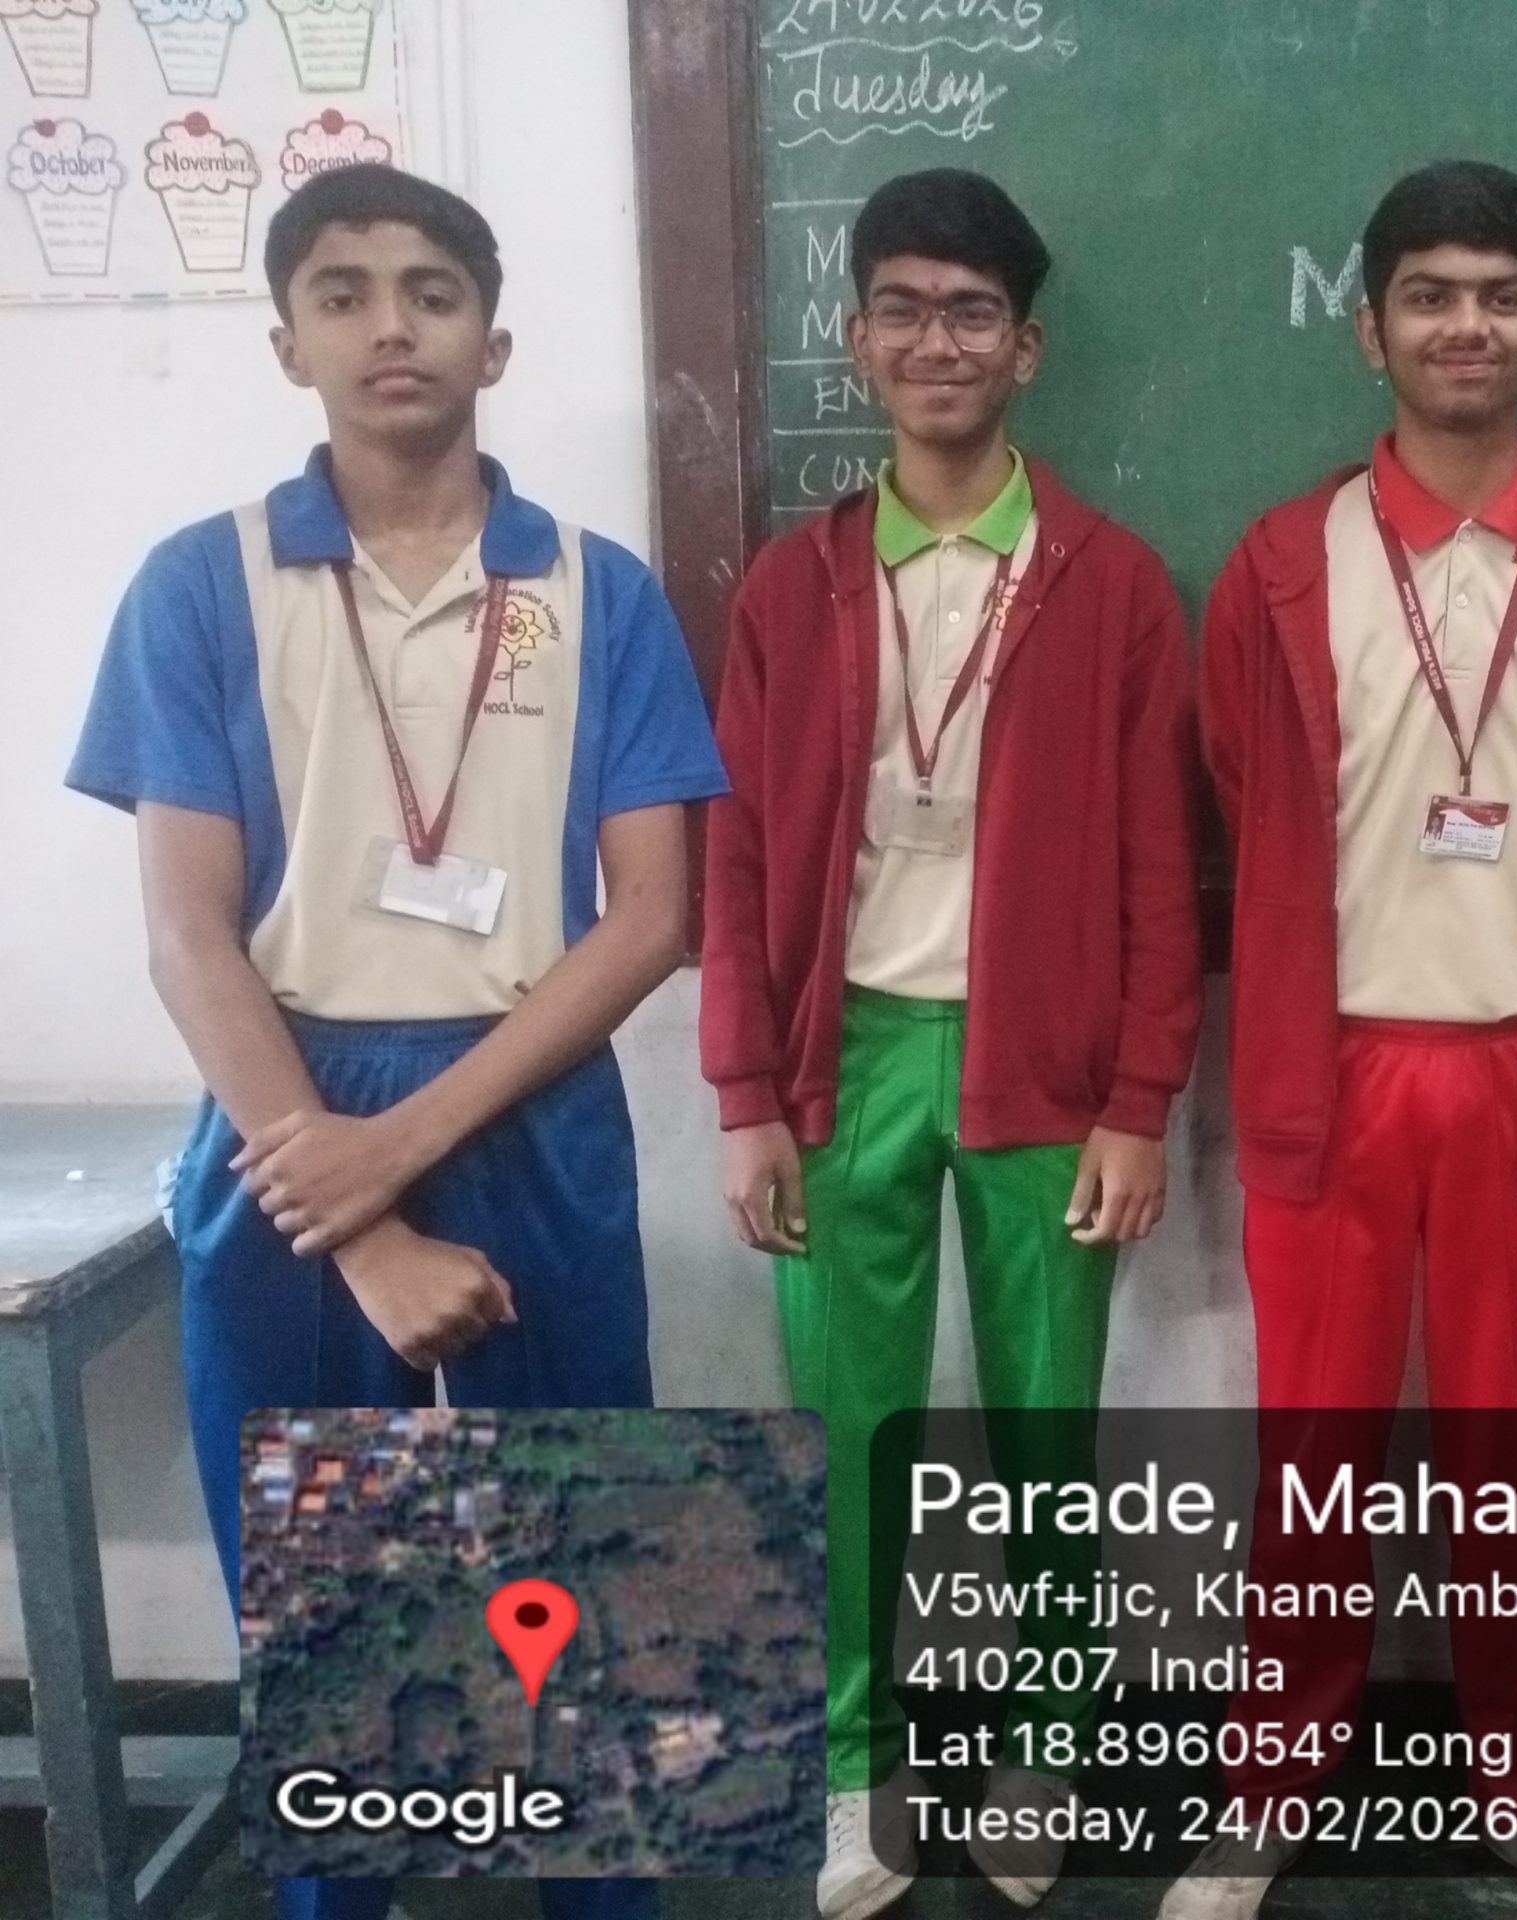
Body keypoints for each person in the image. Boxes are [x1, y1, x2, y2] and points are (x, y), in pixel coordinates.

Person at [64, 164, 725, 1920]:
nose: (391, 324)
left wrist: (399, 1152)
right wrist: (355, 1215)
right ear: (287, 341)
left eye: (433, 290)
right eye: (343, 293)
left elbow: (651, 918)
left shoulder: (597, 590)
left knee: (576, 1567)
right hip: (284, 1111)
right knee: (328, 1605)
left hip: (527, 1100)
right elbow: (188, 934)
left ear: (494, 341)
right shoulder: (200, 584)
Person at [1162, 159, 1517, 1920]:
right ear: (1367, 324)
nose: (1469, 326)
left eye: (1505, 297)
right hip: (1335, 1072)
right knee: (1309, 1464)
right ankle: (1264, 1790)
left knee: (1513, 1468)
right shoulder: (1280, 565)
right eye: (1432, 295)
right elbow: (1245, 785)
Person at [698, 168, 1202, 1920]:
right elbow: (736, 851)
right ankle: (859, 1762)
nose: (939, 341)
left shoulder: (1111, 585)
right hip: (842, 1068)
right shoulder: (796, 586)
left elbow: (1158, 867)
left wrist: (1139, 1103)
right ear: (857, 340)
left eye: (973, 312)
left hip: (1045, 1074)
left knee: (1050, 1438)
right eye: (904, 309)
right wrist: (746, 1096)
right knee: (855, 1439)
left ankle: (1045, 1743)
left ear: (1026, 348)